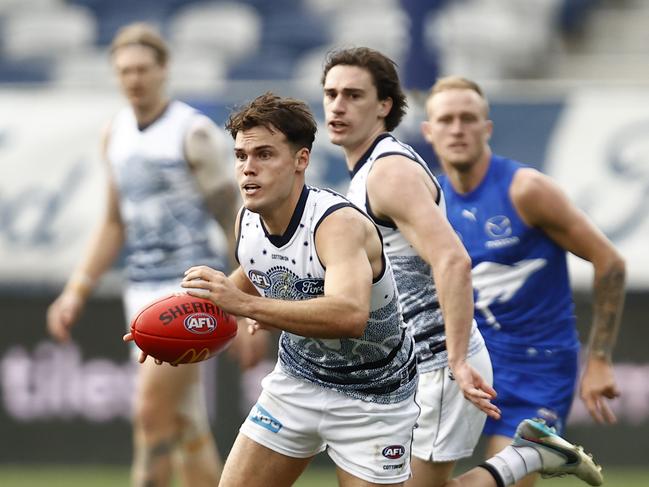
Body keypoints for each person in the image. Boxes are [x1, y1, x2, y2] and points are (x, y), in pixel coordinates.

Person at [167, 91, 421, 487]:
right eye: (240, 157)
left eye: (264, 155)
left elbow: (349, 315)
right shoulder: (246, 222)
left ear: (301, 160)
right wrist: (175, 320)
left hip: (372, 398)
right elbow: (251, 277)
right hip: (297, 383)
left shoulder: (336, 225)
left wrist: (246, 306)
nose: (248, 169)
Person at [46, 23, 239, 486]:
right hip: (140, 286)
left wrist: (245, 297)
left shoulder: (192, 133)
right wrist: (76, 289)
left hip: (187, 290)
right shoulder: (115, 134)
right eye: (124, 71)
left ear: (164, 70)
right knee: (186, 425)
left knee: (151, 417)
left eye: (142, 69)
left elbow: (232, 217)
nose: (133, 79)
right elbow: (114, 222)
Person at [422, 75, 626, 487]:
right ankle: (540, 454)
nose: (457, 129)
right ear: (429, 131)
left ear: (487, 128)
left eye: (468, 118)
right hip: (469, 364)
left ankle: (538, 451)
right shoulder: (429, 201)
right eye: (446, 120)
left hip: (538, 367)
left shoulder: (526, 190)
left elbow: (609, 261)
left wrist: (600, 358)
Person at [321, 46, 497, 487]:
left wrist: (456, 360)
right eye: (331, 93)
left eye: (354, 95)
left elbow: (453, 259)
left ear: (384, 106)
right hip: (400, 371)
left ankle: (527, 458)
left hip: (437, 365)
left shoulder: (387, 173)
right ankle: (532, 455)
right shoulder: (363, 172)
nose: (338, 105)